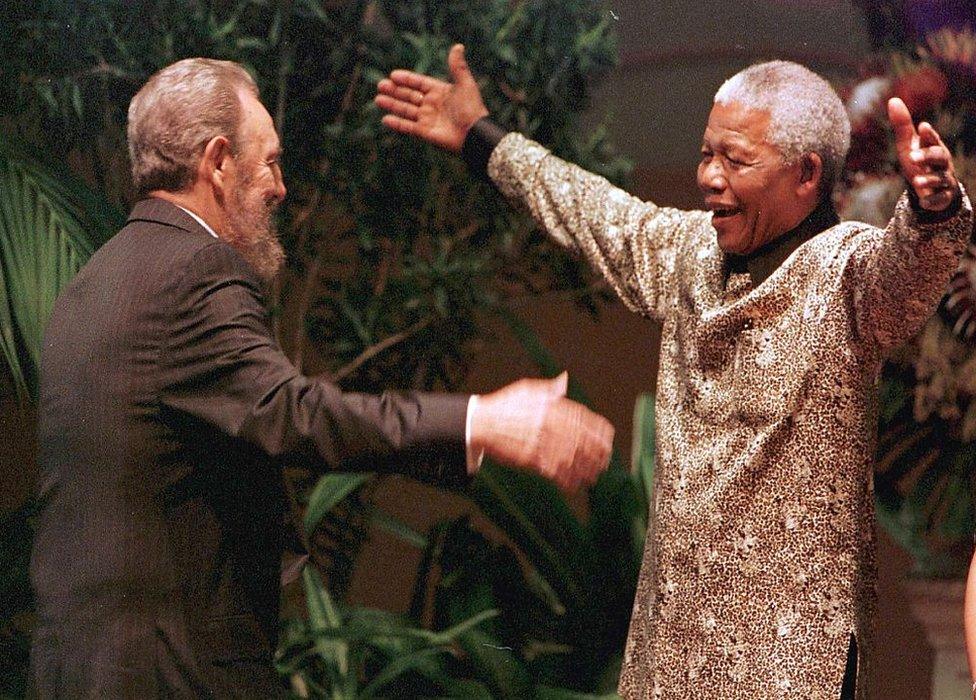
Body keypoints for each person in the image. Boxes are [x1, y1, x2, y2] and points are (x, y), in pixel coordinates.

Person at [375, 45, 973, 699]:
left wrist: (933, 209)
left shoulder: (845, 271)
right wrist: (479, 136)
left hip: (792, 664)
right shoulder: (688, 254)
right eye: (705, 154)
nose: (710, 177)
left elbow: (904, 277)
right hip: (672, 655)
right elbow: (590, 208)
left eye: (735, 160)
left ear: (805, 175)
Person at [28, 57, 615, 698]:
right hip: (174, 674)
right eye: (271, 161)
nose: (281, 188)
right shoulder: (196, 270)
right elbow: (296, 416)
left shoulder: (94, 280)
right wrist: (485, 421)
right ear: (218, 163)